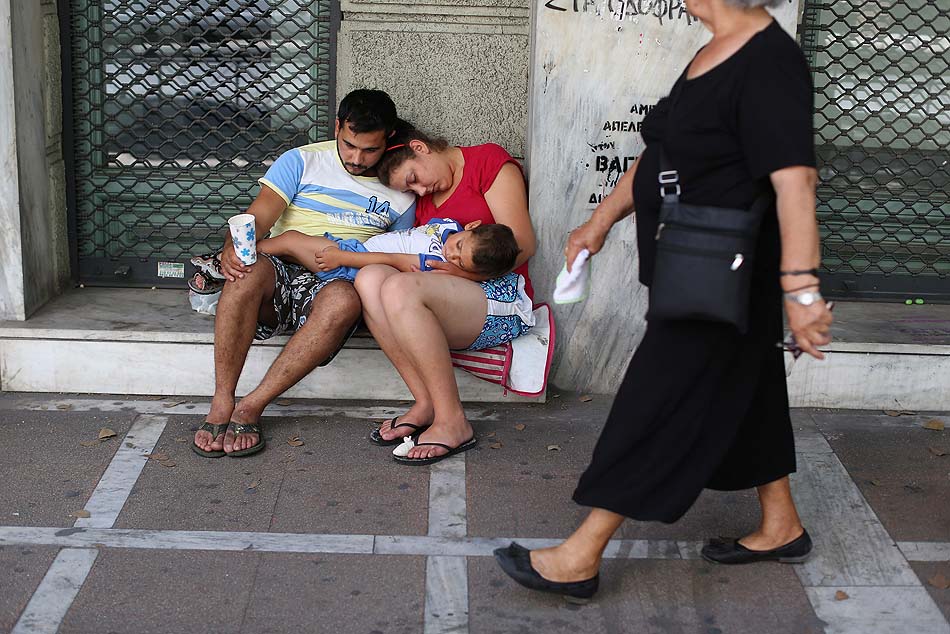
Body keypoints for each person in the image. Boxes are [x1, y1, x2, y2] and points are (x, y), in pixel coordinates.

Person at [494, 0, 834, 601]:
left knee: (659, 395)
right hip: (693, 265)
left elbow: (794, 181)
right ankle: (781, 523)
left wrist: (802, 289)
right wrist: (599, 222)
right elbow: (663, 153)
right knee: (748, 387)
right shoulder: (712, 50)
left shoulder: (770, 62)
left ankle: (581, 553)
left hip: (729, 275)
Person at [191, 89, 416, 458]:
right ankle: (221, 401)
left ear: (388, 138)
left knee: (344, 298)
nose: (357, 159)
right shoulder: (301, 161)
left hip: (339, 280)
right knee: (245, 272)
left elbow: (395, 251)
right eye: (349, 145)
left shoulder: (401, 191)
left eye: (369, 150)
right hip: (279, 268)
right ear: (337, 127)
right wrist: (234, 246)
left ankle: (251, 406)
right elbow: (260, 216)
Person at [354, 130, 537, 464]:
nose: (420, 191)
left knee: (398, 287)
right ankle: (425, 403)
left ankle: (453, 421)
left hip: (499, 297)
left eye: (415, 179)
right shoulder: (425, 198)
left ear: (420, 148)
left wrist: (457, 273)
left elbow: (522, 243)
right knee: (369, 278)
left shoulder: (487, 162)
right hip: (447, 297)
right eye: (410, 190)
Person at [255, 218, 520, 282]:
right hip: (354, 251)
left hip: (353, 261)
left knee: (289, 240)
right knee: (288, 253)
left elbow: (392, 259)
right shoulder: (447, 226)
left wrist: (343, 257)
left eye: (459, 262)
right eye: (459, 246)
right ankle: (242, 260)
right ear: (471, 225)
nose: (451, 254)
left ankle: (234, 258)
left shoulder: (434, 261)